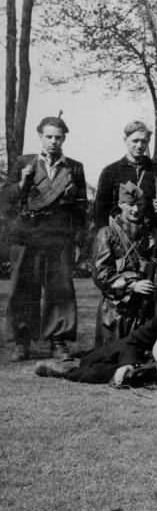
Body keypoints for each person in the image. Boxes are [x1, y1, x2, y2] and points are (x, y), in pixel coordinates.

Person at [2, 115, 87, 361]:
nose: (53, 141)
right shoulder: (24, 162)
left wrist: (79, 241)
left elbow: (80, 210)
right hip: (26, 236)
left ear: (64, 139)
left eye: (58, 137)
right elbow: (5, 199)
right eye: (48, 136)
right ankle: (21, 342)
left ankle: (58, 341)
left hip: (59, 238)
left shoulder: (74, 168)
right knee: (22, 289)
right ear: (40, 136)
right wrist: (22, 182)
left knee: (60, 290)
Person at [35, 290, 157, 393]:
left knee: (94, 374)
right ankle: (82, 357)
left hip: (152, 369)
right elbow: (136, 341)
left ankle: (63, 371)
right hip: (144, 352)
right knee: (92, 358)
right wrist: (126, 364)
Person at [91, 181, 157, 346]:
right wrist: (132, 285)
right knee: (112, 356)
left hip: (147, 308)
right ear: (120, 204)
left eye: (139, 205)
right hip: (117, 311)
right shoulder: (107, 234)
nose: (136, 210)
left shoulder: (152, 235)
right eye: (130, 205)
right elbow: (101, 274)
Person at [94, 120, 157, 230]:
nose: (139, 145)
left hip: (151, 234)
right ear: (125, 140)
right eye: (135, 141)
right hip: (120, 234)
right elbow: (100, 212)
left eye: (144, 141)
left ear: (148, 142)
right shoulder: (110, 171)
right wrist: (104, 237)